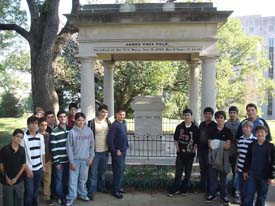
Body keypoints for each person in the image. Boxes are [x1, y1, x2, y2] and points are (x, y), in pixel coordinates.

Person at [168, 108, 199, 196]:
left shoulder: (195, 128)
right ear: (183, 116)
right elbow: (175, 139)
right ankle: (175, 188)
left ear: (191, 116)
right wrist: (178, 150)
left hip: (190, 154)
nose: (187, 116)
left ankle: (184, 189)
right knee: (178, 172)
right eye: (185, 115)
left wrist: (193, 152)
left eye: (188, 115)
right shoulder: (179, 127)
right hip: (181, 154)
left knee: (188, 172)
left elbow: (196, 142)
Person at [66, 112, 95, 206]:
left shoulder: (89, 131)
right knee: (73, 180)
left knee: (83, 179)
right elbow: (69, 148)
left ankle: (82, 194)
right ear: (75, 120)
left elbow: (92, 145)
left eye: (83, 120)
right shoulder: (72, 132)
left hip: (85, 160)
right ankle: (71, 197)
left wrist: (91, 157)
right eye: (79, 120)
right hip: (75, 160)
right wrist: (71, 161)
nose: (81, 122)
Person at [242, 125, 275, 206]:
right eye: (258, 132)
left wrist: (271, 177)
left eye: (262, 132)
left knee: (261, 197)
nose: (260, 134)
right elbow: (247, 159)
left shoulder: (270, 146)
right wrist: (245, 171)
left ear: (266, 133)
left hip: (264, 176)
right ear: (255, 134)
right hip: (252, 175)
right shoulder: (252, 145)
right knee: (249, 195)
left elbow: (273, 163)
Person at [206, 111, 232, 205]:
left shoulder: (227, 131)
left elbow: (227, 147)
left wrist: (216, 142)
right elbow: (210, 144)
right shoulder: (212, 130)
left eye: (221, 118)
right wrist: (221, 143)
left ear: (224, 119)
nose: (220, 119)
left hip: (224, 159)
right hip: (213, 157)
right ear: (216, 119)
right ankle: (212, 194)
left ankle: (224, 195)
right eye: (218, 118)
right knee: (212, 177)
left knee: (223, 179)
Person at [87, 104, 111, 200]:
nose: (104, 114)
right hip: (95, 152)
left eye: (106, 112)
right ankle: (91, 192)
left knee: (102, 172)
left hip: (105, 151)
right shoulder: (92, 122)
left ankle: (101, 187)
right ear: (99, 112)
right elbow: (88, 137)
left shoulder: (108, 122)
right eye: (102, 112)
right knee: (93, 173)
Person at [21, 116, 45, 206]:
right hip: (29, 169)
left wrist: (43, 166)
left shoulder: (40, 137)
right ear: (28, 125)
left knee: (36, 189)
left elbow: (42, 152)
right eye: (32, 123)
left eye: (35, 123)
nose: (34, 125)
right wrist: (27, 169)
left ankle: (35, 204)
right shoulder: (24, 137)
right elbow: (22, 156)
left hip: (39, 168)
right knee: (29, 190)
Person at [0, 129, 26, 206]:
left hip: (19, 181)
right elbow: (1, 164)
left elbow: (23, 165)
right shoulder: (5, 149)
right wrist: (6, 177)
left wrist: (16, 178)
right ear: (12, 137)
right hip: (6, 181)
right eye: (17, 136)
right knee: (8, 202)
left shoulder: (22, 150)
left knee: (19, 200)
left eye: (21, 137)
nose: (19, 139)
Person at [108, 109, 128, 199]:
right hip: (117, 152)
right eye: (120, 114)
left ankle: (119, 187)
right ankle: (115, 190)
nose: (122, 116)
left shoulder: (124, 123)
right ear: (116, 115)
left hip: (123, 151)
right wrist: (115, 150)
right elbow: (110, 140)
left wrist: (126, 145)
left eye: (123, 114)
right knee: (118, 171)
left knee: (121, 170)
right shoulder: (114, 125)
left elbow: (125, 135)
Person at [51, 111, 70, 205]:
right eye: (60, 117)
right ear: (58, 118)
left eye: (64, 116)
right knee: (58, 180)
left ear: (66, 117)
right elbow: (53, 148)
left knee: (67, 179)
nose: (62, 118)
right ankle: (60, 197)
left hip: (69, 160)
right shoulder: (54, 131)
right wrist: (57, 162)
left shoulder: (70, 129)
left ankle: (66, 196)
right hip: (59, 161)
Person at [236, 120, 257, 205]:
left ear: (251, 128)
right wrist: (236, 167)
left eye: (247, 127)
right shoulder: (240, 139)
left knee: (249, 191)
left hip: (249, 170)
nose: (245, 128)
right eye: (244, 127)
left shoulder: (254, 140)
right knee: (242, 190)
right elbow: (239, 154)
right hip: (240, 169)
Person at [198, 107, 217, 193]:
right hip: (201, 150)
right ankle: (202, 188)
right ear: (204, 115)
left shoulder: (214, 125)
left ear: (212, 115)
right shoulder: (201, 124)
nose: (208, 115)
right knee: (202, 170)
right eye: (206, 114)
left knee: (210, 171)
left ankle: (210, 189)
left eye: (209, 114)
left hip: (210, 151)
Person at [225, 106, 240, 200]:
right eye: (230, 112)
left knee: (236, 172)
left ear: (237, 113)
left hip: (237, 152)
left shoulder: (241, 124)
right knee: (226, 171)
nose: (232, 114)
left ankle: (234, 191)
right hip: (227, 151)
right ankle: (225, 190)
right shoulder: (226, 124)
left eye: (234, 112)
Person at [38, 118, 54, 205]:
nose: (44, 127)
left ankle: (47, 197)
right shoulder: (36, 135)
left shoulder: (48, 135)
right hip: (38, 161)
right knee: (37, 180)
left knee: (47, 180)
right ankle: (35, 197)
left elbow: (50, 147)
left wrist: (51, 158)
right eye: (42, 125)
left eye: (45, 125)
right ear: (38, 125)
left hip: (48, 160)